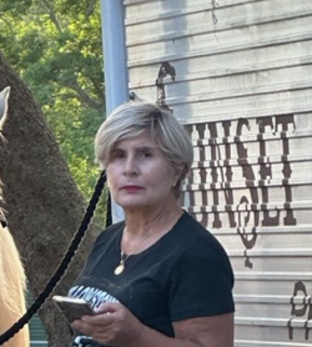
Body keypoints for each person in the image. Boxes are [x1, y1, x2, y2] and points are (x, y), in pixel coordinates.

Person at [67, 101, 234, 347]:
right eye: (118, 155)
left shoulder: (196, 253)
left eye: (145, 155)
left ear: (177, 170)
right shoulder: (108, 239)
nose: (129, 169)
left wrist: (137, 337)